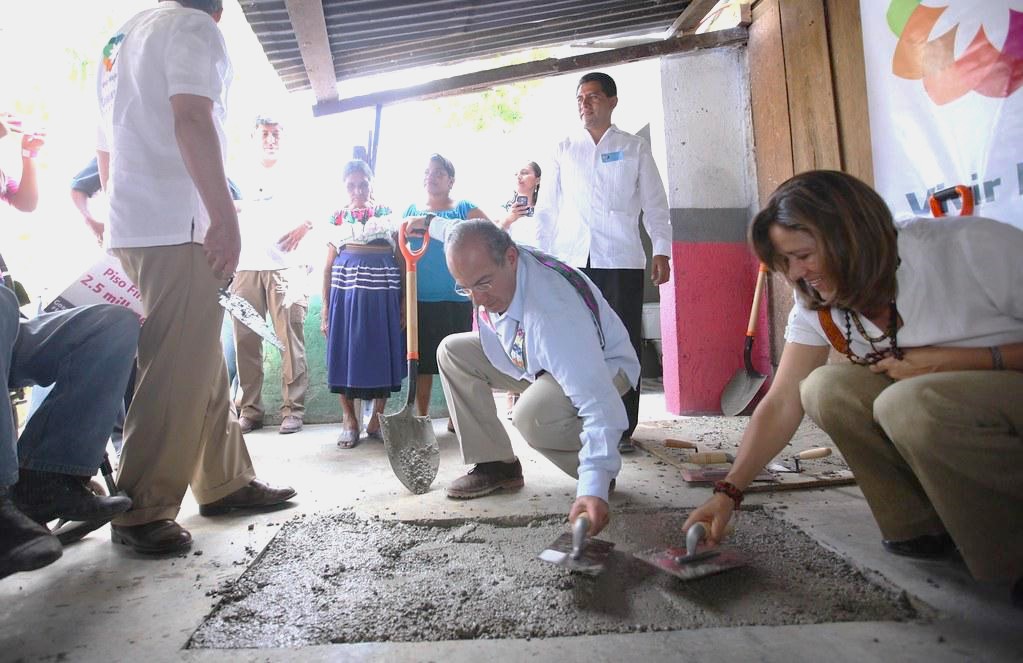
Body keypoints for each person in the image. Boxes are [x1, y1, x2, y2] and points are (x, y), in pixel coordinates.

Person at [683, 170, 1023, 606]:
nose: (797, 274)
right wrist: (728, 492)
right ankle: (921, 526)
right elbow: (784, 399)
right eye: (786, 261)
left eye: (803, 255)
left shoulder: (969, 247)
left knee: (909, 403)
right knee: (826, 387)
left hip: (1005, 383)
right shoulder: (818, 300)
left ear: (850, 237)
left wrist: (957, 361)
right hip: (943, 397)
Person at [96, 0, 295, 555]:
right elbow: (191, 117)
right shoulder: (192, 28)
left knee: (196, 352)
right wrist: (224, 217)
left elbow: (105, 146)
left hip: (138, 221)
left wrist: (117, 221)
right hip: (177, 221)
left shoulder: (120, 39)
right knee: (175, 363)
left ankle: (225, 480)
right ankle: (142, 507)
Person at [428, 219, 639, 535]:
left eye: (483, 283)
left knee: (531, 416)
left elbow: (601, 407)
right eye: (465, 287)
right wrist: (426, 223)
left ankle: (597, 467)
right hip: (531, 358)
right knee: (452, 351)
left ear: (510, 258)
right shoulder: (488, 252)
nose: (477, 299)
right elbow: (454, 230)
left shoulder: (553, 315)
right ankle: (496, 464)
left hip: (604, 369)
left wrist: (593, 486)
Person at [0, 114, 135, 579]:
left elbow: (26, 201)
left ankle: (46, 477)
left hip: (7, 324)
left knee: (113, 325)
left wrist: (25, 156)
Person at [534, 72, 672, 454]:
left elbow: (655, 205)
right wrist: (540, 259)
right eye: (580, 98)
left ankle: (623, 428)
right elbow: (547, 211)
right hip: (573, 262)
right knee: (576, 341)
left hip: (620, 259)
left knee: (622, 341)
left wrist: (661, 249)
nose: (585, 103)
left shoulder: (634, 148)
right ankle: (581, 422)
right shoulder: (563, 148)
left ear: (612, 101)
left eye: (593, 96)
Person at [231, 116, 311, 435]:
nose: (270, 140)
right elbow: (217, 206)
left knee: (290, 342)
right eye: (264, 134)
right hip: (245, 266)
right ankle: (250, 410)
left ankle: (293, 410)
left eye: (276, 134)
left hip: (286, 268)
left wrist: (305, 225)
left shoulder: (298, 170)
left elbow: (321, 210)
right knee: (245, 341)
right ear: (253, 136)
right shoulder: (237, 172)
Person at [402, 154, 490, 424]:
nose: (431, 176)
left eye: (439, 173)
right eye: (428, 172)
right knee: (423, 363)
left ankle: (456, 417)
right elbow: (400, 252)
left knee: (457, 362)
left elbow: (490, 234)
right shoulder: (411, 211)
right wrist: (405, 299)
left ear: (451, 180)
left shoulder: (463, 207)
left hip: (456, 297)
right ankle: (423, 417)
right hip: (421, 299)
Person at [322, 160, 405, 448]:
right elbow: (328, 265)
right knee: (346, 352)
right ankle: (349, 419)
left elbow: (401, 258)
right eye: (351, 185)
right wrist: (325, 308)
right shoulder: (336, 218)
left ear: (371, 183)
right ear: (344, 187)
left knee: (382, 350)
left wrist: (404, 302)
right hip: (346, 293)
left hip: (383, 292)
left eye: (363, 184)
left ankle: (376, 419)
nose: (357, 190)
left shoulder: (387, 214)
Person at [498, 161, 542, 246]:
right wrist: (507, 220)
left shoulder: (544, 210)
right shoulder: (504, 209)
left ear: (537, 180)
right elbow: (491, 239)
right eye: (515, 174)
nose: (518, 176)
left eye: (524, 173)